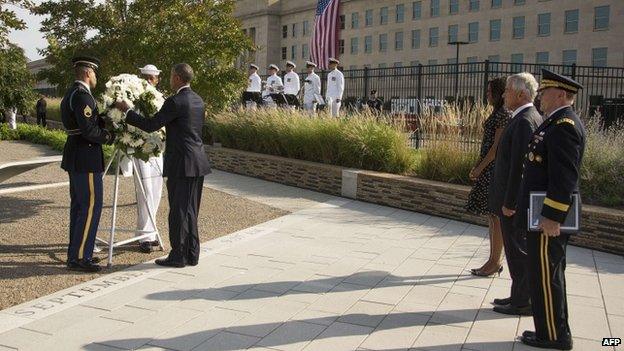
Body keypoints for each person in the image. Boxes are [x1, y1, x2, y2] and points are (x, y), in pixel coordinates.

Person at [115, 63, 211, 268]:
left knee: (177, 211)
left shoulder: (175, 101)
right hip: (198, 162)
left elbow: (151, 125)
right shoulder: (198, 99)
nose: (168, 79)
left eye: (170, 76)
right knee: (192, 210)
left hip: (181, 163)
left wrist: (127, 111)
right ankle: (192, 253)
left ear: (177, 78)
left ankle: (177, 256)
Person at [516, 69, 585, 351]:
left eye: (544, 93)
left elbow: (564, 178)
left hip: (547, 217)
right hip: (541, 213)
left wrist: (552, 217)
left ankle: (555, 336)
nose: (540, 97)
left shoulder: (564, 125)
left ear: (559, 94)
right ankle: (548, 329)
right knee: (544, 274)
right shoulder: (554, 122)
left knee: (546, 275)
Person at [489, 73, 542, 316]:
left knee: (518, 251)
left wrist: (510, 202)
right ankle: (517, 295)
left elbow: (520, 167)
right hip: (511, 199)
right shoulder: (521, 117)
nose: (503, 94)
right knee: (513, 250)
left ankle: (524, 301)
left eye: (508, 90)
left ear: (521, 94)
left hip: (515, 203)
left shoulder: (524, 121)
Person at [60, 56, 115, 272]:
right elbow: (89, 130)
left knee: (79, 207)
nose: (95, 77)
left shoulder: (72, 93)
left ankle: (75, 254)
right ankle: (82, 257)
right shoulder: (82, 96)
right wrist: (109, 136)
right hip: (86, 157)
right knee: (90, 207)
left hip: (77, 155)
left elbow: (88, 122)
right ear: (87, 73)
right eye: (94, 73)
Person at [465, 77, 509, 277]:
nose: (487, 95)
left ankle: (495, 261)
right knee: (491, 216)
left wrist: (479, 169)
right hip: (488, 169)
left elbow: (496, 149)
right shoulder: (497, 112)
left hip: (493, 170)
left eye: (490, 91)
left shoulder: (503, 115)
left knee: (496, 217)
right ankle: (492, 260)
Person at [131, 64, 165, 253]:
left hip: (157, 149)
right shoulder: (136, 97)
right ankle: (145, 235)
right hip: (141, 150)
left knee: (155, 191)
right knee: (145, 192)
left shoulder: (159, 97)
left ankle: (149, 232)